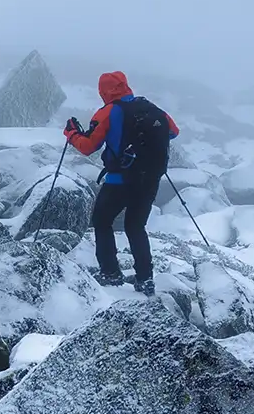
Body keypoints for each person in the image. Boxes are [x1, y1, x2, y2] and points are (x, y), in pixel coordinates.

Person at [63, 71, 179, 294]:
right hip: (149, 179)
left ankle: (110, 273)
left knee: (102, 221)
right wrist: (143, 145)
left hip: (119, 180)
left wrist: (71, 134)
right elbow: (173, 132)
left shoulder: (109, 111)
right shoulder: (151, 108)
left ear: (104, 91)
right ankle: (145, 279)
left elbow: (88, 147)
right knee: (136, 226)